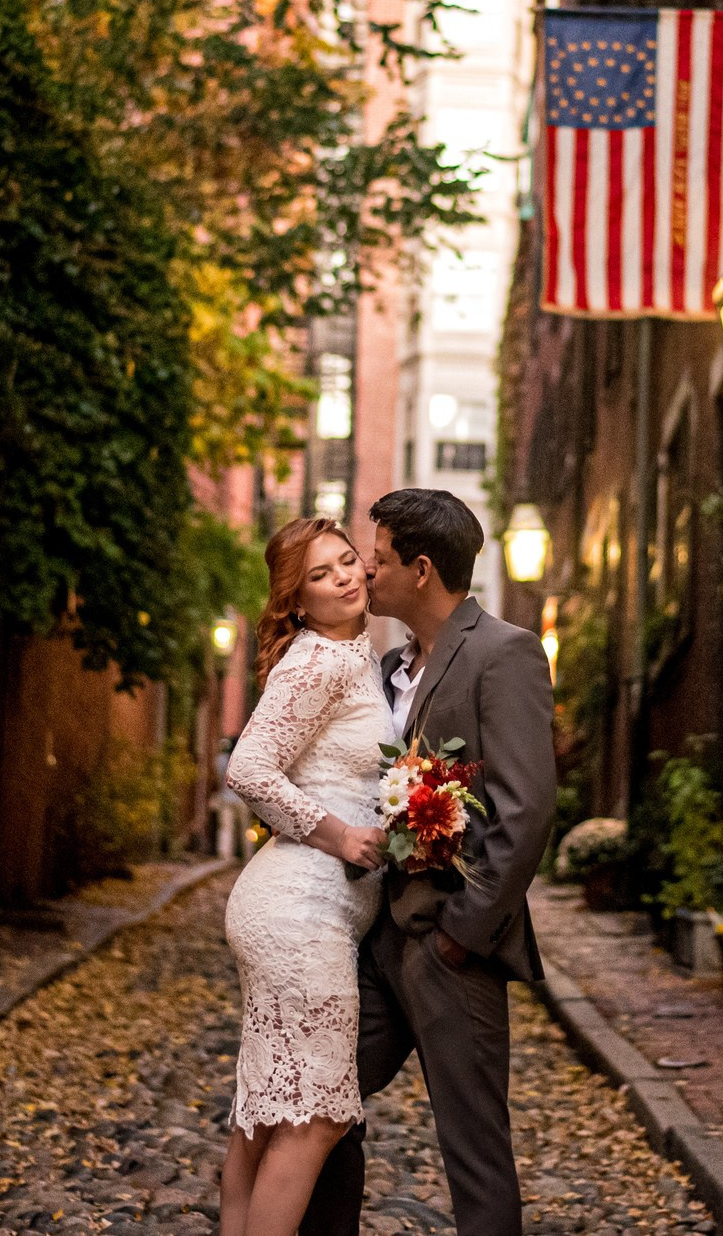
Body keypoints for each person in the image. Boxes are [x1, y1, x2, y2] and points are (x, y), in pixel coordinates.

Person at [299, 489, 557, 1236]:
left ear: (421, 569)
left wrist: (463, 934)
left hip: (453, 948)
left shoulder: (504, 654)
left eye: (375, 561)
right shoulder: (386, 667)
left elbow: (526, 809)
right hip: (381, 943)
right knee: (323, 1099)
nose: (364, 575)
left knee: (474, 1149)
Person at [220, 519, 389, 1236]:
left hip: (295, 908)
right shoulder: (321, 661)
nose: (345, 577)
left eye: (348, 560)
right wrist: (340, 834)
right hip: (300, 911)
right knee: (314, 1116)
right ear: (296, 600)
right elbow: (249, 769)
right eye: (320, 575)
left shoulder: (355, 655)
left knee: (266, 1114)